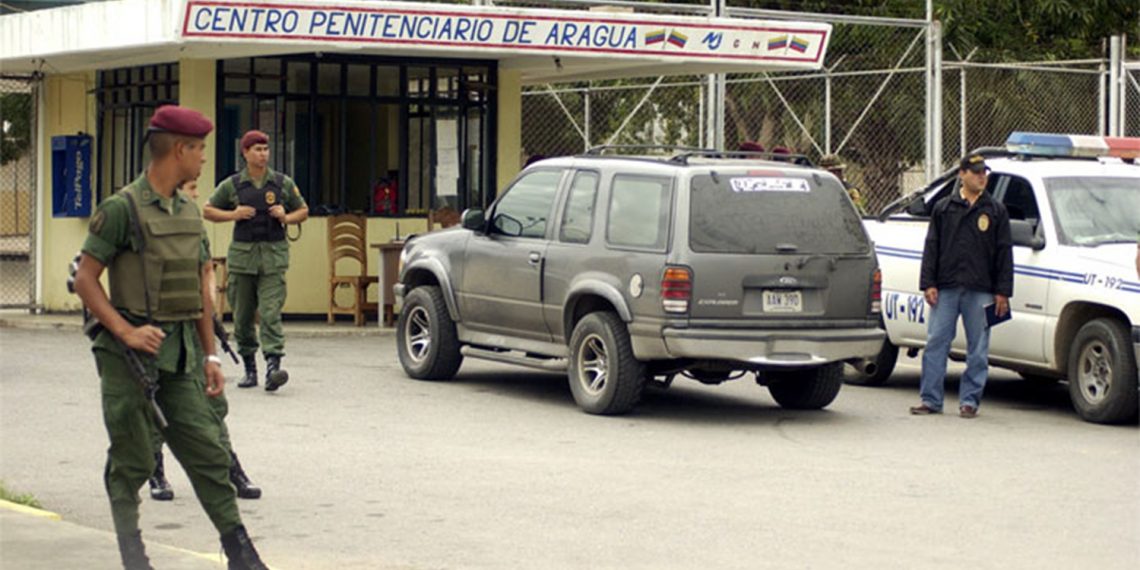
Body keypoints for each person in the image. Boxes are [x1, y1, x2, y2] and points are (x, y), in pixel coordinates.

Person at [72, 105, 268, 569]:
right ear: (179, 150)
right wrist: (124, 330)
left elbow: (201, 287)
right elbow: (85, 278)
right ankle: (132, 553)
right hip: (129, 358)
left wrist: (211, 357)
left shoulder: (188, 213)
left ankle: (240, 551)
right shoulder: (121, 209)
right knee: (133, 459)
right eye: (199, 149)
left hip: (182, 354)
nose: (204, 159)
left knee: (207, 451)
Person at [148, 178, 261, 502]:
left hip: (193, 328)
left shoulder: (195, 227)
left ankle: (230, 469)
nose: (197, 194)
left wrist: (208, 310)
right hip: (160, 328)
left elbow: (207, 271)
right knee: (154, 399)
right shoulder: (147, 226)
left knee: (213, 404)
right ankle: (155, 471)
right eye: (191, 187)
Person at [910, 153, 1013, 419]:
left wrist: (1003, 292)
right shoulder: (945, 208)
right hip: (946, 287)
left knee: (978, 347)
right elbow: (932, 247)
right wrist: (928, 283)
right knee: (936, 342)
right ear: (962, 175)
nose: (982, 177)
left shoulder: (995, 210)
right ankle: (931, 399)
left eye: (984, 173)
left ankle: (970, 401)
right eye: (976, 172)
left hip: (981, 289)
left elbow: (1004, 253)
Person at [204, 130, 308, 391]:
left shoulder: (282, 183)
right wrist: (234, 214)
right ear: (245, 152)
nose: (263, 154)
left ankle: (273, 366)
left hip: (273, 257)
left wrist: (286, 216)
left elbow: (303, 210)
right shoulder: (234, 184)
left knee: (271, 312)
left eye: (266, 149)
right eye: (257, 149)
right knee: (242, 315)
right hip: (243, 259)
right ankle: (250, 368)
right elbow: (208, 210)